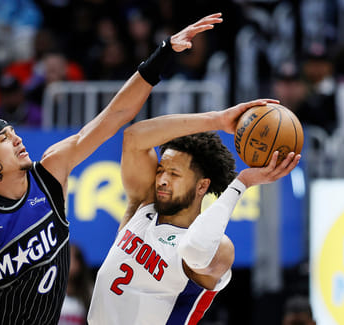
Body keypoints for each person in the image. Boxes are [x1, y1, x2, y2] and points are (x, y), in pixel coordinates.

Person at [0, 13, 224, 325]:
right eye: (3, 139)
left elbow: (116, 115)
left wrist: (164, 52)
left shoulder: (50, 172)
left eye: (13, 132)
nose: (17, 139)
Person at [87, 99, 301, 324]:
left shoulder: (220, 248)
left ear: (202, 186)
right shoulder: (143, 205)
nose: (162, 180)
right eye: (161, 170)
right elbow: (134, 137)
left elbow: (195, 250)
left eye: (174, 174)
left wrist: (241, 183)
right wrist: (216, 120)